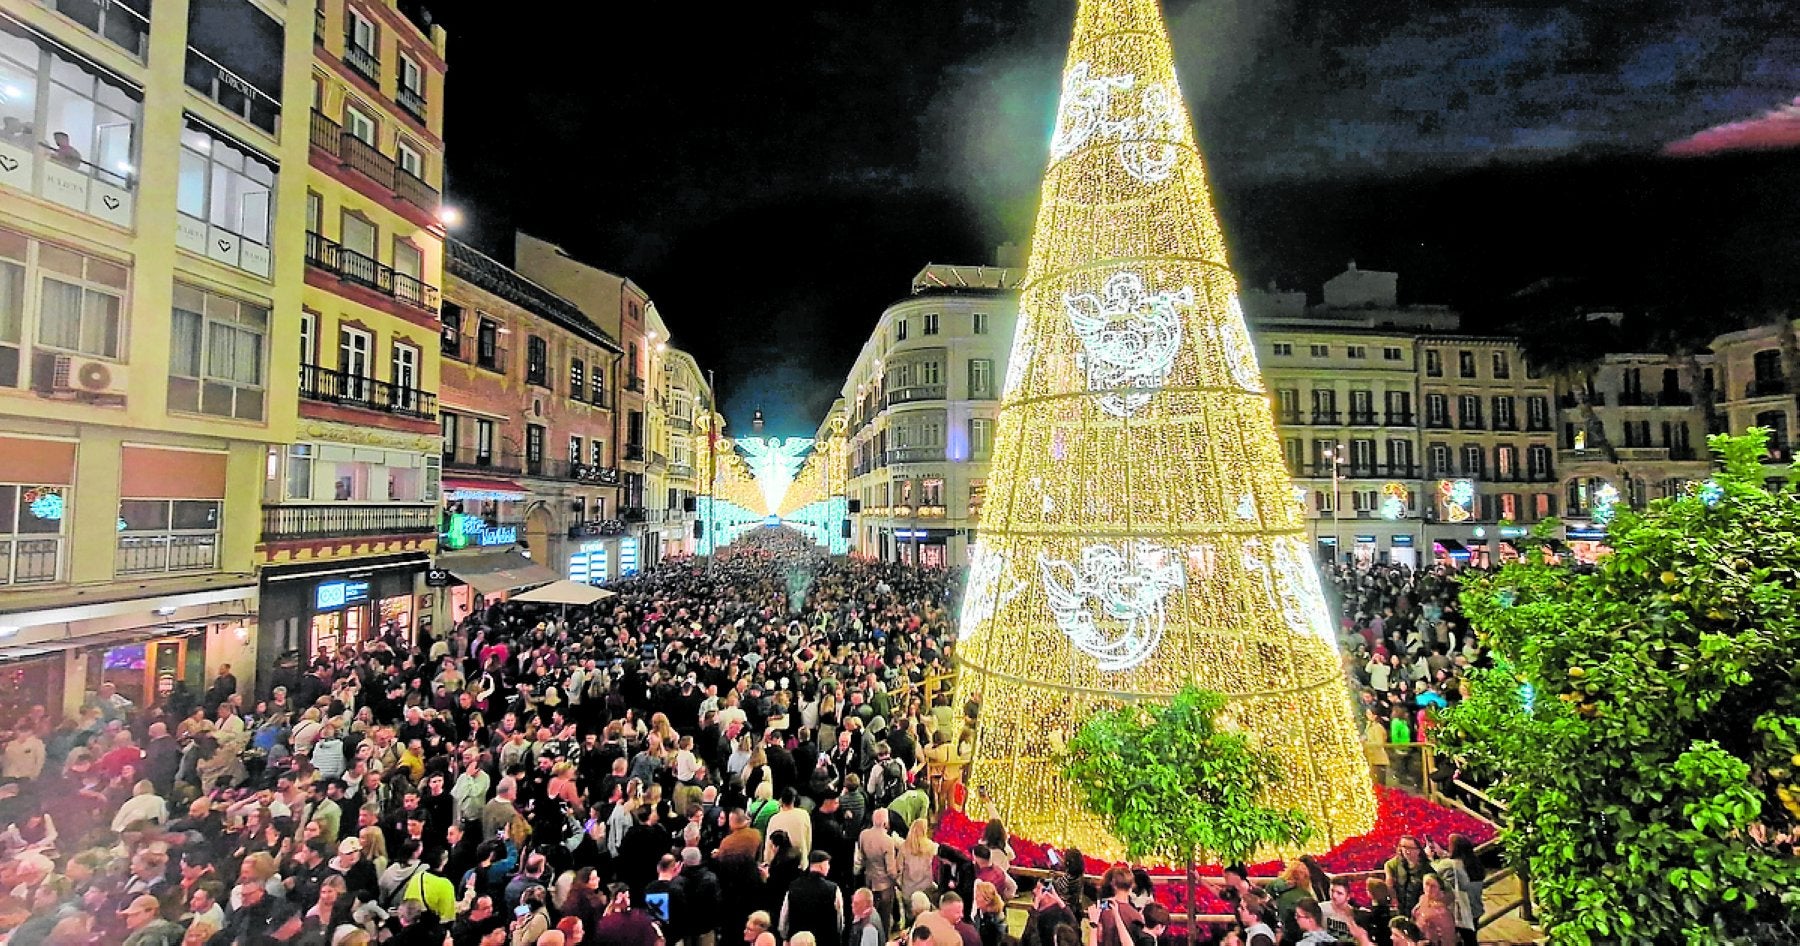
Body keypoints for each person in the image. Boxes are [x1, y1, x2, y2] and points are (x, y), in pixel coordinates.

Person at [779, 851, 844, 946]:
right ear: (822, 866)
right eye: (828, 864)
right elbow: (839, 919)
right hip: (826, 941)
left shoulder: (793, 887)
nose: (829, 868)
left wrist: (785, 937)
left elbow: (784, 917)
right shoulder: (833, 889)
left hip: (798, 941)